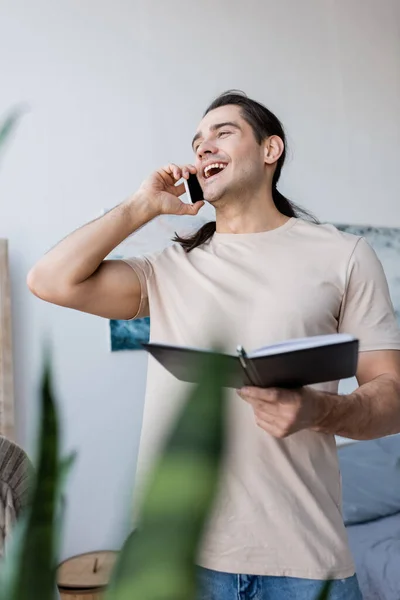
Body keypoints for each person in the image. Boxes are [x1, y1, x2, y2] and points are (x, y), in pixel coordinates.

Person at [27, 91, 400, 600]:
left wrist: (321, 410)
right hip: (177, 558)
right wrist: (142, 206)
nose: (204, 147)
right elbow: (50, 280)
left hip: (304, 560)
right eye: (197, 142)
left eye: (223, 133)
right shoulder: (169, 267)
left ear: (271, 151)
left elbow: (391, 397)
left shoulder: (343, 255)